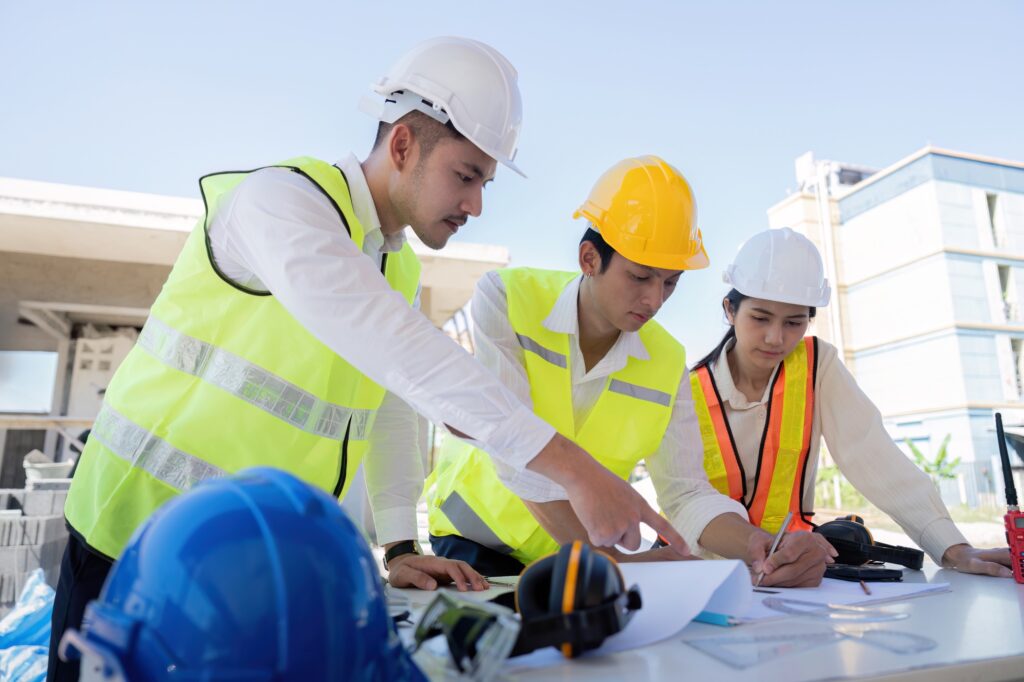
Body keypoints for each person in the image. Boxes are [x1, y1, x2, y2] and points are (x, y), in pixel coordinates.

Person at [49, 37, 686, 682]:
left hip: (257, 566)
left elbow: (385, 410)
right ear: (403, 144)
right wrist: (575, 468)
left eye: (485, 183)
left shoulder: (396, 264)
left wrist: (400, 544)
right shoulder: (281, 202)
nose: (476, 205)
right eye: (466, 176)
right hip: (131, 541)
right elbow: (396, 346)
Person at [426, 157, 834, 585]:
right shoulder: (507, 299)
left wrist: (757, 544)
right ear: (589, 258)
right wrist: (616, 563)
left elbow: (685, 491)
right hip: (474, 547)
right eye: (640, 277)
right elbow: (512, 449)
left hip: (575, 559)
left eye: (670, 283)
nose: (655, 300)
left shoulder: (666, 360)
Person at [687, 227, 1012, 578]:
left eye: (794, 322)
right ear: (730, 310)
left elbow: (872, 453)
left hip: (795, 573)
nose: (776, 338)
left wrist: (951, 547)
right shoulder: (687, 392)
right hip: (701, 572)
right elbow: (683, 496)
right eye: (760, 318)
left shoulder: (816, 366)